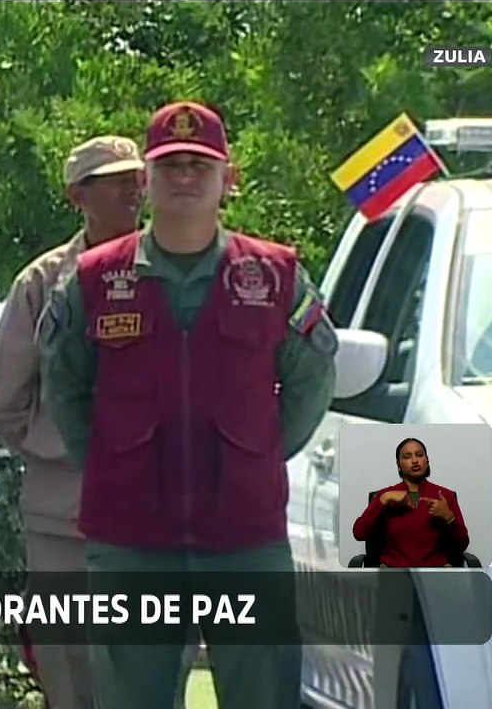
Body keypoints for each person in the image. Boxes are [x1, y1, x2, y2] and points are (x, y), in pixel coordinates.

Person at [38, 101, 339, 709]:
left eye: (199, 165)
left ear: (229, 179)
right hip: (132, 540)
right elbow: (64, 386)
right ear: (144, 181)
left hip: (245, 536)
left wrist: (257, 453)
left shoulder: (274, 276)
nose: (184, 177)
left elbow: (311, 383)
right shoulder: (94, 280)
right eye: (169, 164)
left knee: (263, 697)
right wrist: (111, 462)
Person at [0, 135, 145, 709]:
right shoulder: (44, 282)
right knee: (71, 678)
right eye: (115, 181)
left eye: (136, 178)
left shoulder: (175, 268)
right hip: (64, 522)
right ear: (78, 195)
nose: (132, 190)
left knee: (149, 676)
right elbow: (4, 400)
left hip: (154, 515)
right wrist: (71, 446)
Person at [352, 437, 470, 568]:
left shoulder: (445, 496)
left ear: (427, 461)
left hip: (435, 573)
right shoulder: (386, 496)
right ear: (399, 464)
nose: (414, 461)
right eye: (407, 457)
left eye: (419, 455)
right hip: (394, 573)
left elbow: (462, 544)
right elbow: (359, 533)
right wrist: (384, 499)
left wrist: (449, 517)